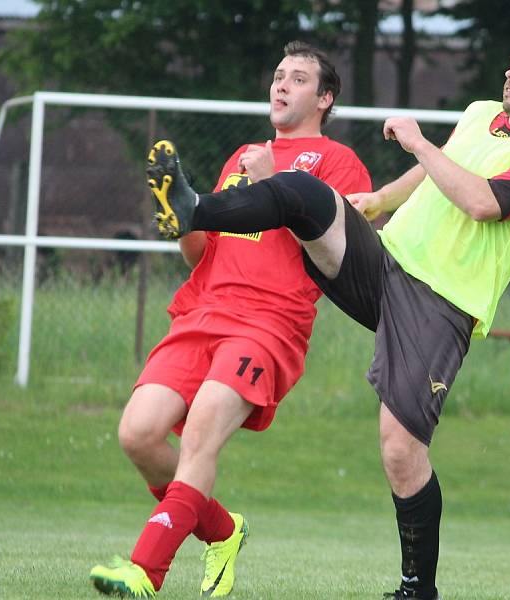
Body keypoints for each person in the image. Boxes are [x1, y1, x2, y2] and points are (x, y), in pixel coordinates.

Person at [145, 33, 510, 600]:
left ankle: (416, 588)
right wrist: (380, 200)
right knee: (306, 191)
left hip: (441, 301)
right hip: (385, 266)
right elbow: (436, 175)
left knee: (401, 450)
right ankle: (193, 210)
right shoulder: (482, 114)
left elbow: (481, 201)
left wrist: (419, 143)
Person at [89, 41, 371, 598]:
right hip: (202, 311)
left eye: (298, 78)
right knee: (139, 435)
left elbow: (337, 252)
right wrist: (183, 218)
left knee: (200, 435)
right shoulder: (243, 153)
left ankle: (146, 571)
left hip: (269, 322)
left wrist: (274, 186)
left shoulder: (339, 163)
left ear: (324, 98)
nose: (282, 85)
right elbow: (203, 254)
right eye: (278, 75)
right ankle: (223, 530)